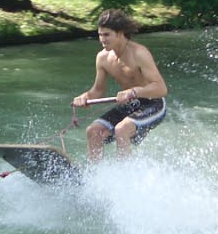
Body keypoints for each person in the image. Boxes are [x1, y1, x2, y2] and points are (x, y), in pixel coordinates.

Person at [71, 9, 168, 161]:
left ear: (120, 33)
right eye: (100, 35)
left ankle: (125, 172)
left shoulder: (139, 53)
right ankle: (94, 173)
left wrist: (134, 92)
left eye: (107, 35)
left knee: (121, 130)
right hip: (129, 104)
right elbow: (97, 91)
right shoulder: (102, 58)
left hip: (153, 103)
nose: (102, 39)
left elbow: (161, 89)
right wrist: (84, 97)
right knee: (93, 131)